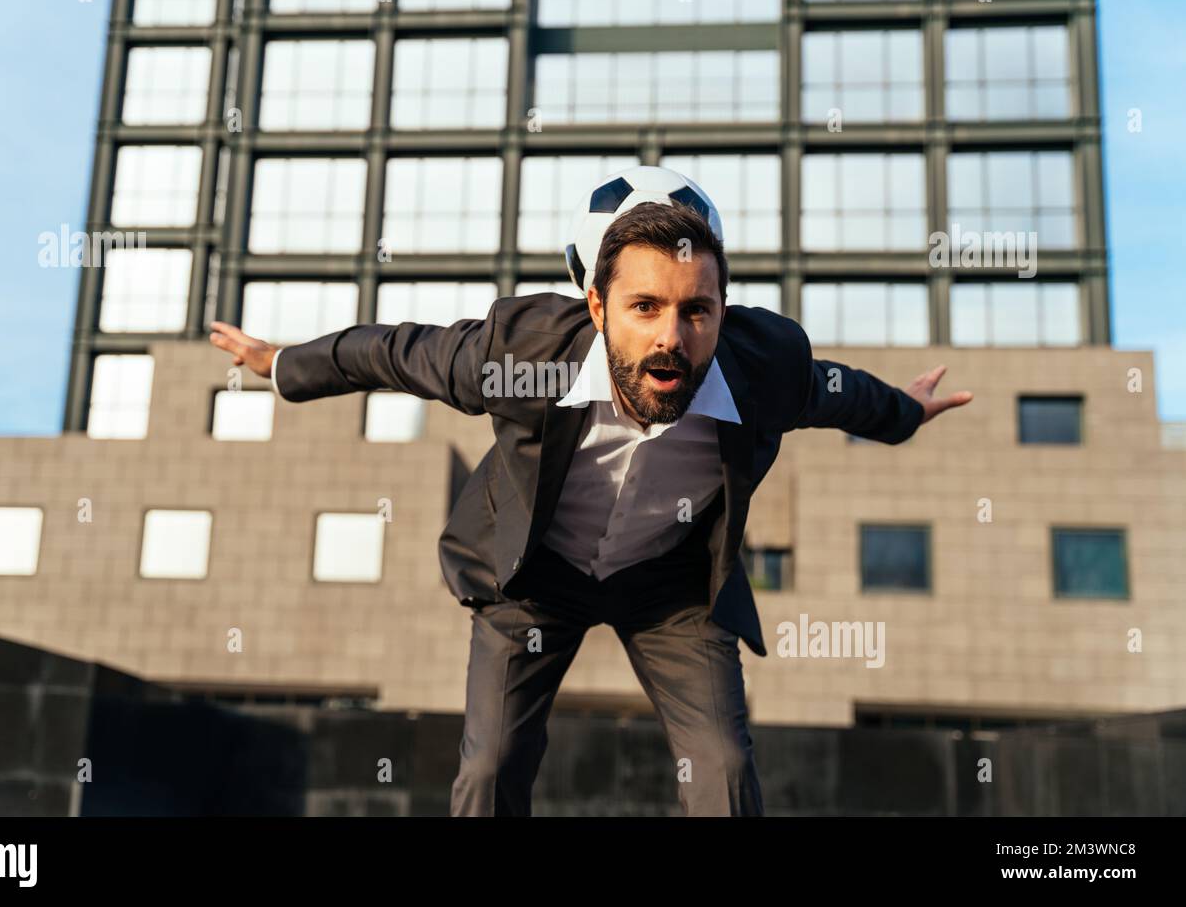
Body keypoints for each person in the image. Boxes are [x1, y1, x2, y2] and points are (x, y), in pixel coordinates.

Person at [209, 200, 972, 816]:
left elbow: (838, 393)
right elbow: (396, 351)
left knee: (723, 763)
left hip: (670, 590)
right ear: (599, 307)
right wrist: (281, 364)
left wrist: (904, 411)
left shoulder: (764, 367)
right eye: (646, 307)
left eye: (696, 312)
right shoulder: (522, 354)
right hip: (536, 580)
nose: (672, 339)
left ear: (723, 310)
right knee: (493, 763)